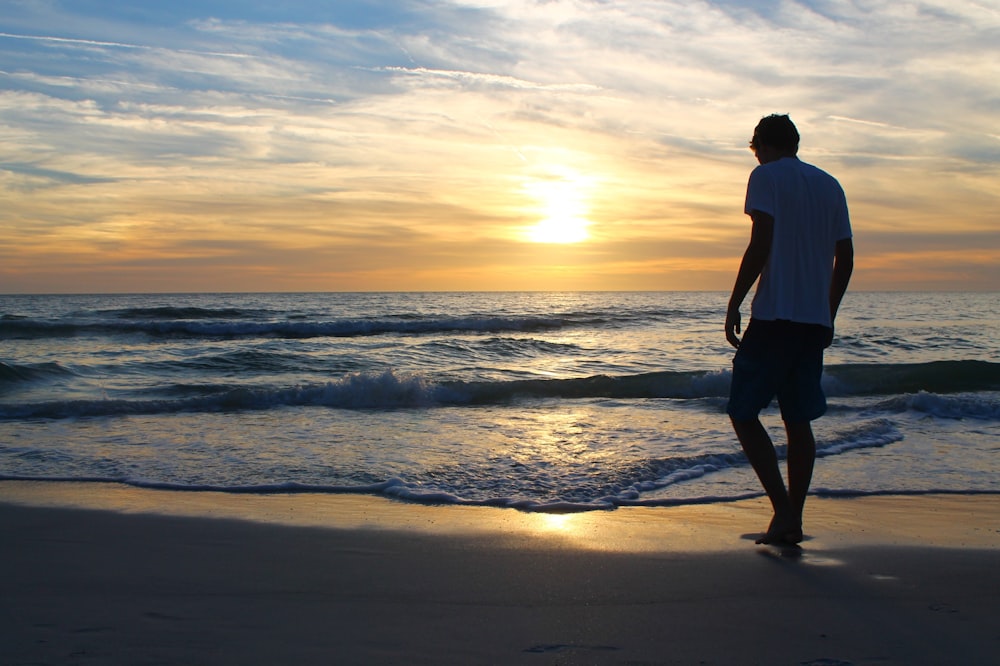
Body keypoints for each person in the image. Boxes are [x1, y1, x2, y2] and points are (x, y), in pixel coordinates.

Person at [725, 114, 854, 545]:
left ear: (764, 143)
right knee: (798, 420)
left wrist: (735, 301)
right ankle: (791, 518)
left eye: (755, 146)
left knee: (743, 412)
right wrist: (828, 311)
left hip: (776, 315)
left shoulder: (766, 177)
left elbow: (761, 241)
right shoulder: (830, 185)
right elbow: (846, 258)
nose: (756, 153)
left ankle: (783, 511)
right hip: (812, 322)